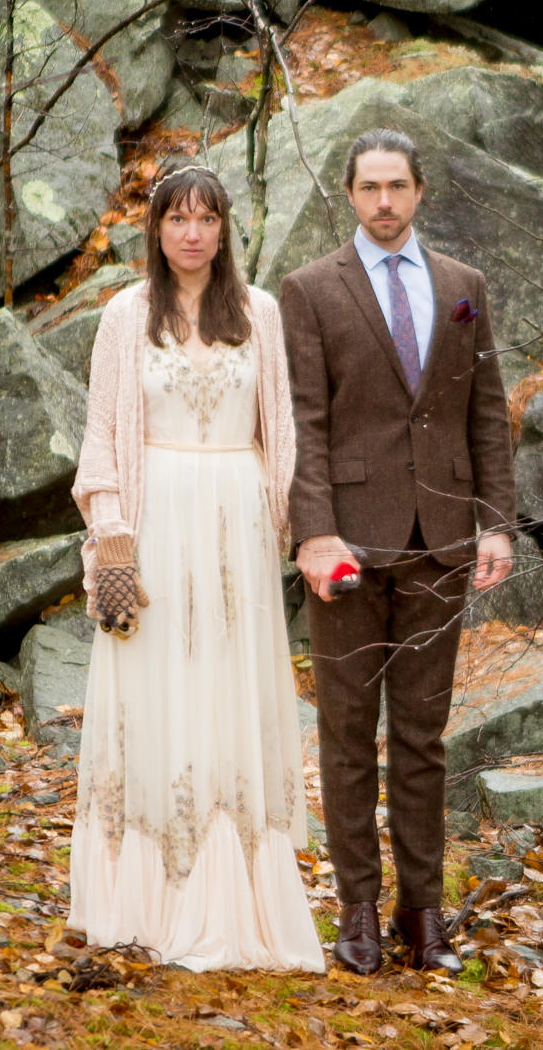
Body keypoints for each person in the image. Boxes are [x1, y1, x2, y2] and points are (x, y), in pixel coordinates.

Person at [66, 164, 325, 974]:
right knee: (154, 691)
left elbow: (282, 433)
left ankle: (237, 896)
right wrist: (111, 537)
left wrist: (304, 532)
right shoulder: (124, 315)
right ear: (155, 228)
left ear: (224, 229)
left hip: (237, 531)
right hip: (154, 522)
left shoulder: (260, 312)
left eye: (207, 218)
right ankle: (143, 896)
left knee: (227, 691)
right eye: (177, 218)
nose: (192, 232)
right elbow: (101, 435)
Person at [279, 129, 517, 976]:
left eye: (398, 186)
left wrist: (497, 521)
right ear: (349, 194)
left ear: (420, 192)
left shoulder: (463, 286)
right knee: (347, 733)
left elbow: (485, 411)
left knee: (422, 737)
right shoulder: (310, 289)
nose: (384, 200)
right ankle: (357, 911)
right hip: (344, 546)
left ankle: (424, 912)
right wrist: (313, 531)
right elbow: (302, 418)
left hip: (441, 541)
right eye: (370, 187)